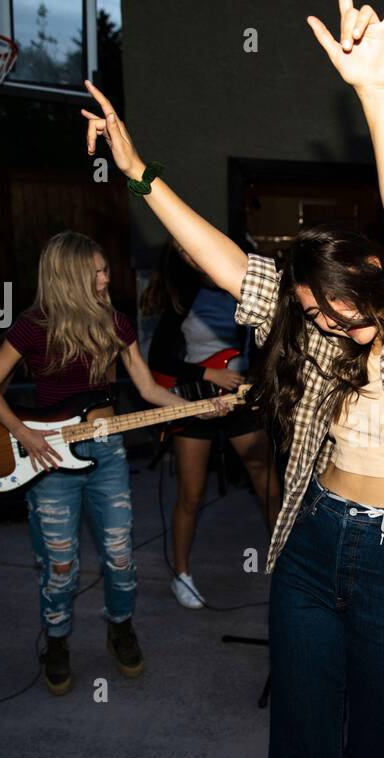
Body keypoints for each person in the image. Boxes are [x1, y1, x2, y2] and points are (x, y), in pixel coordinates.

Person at [80, 0, 384, 758]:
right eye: (306, 308)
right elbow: (220, 260)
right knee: (298, 757)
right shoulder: (308, 327)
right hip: (311, 546)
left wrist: (379, 93)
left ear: (370, 278)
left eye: (334, 302)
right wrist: (137, 171)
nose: (321, 320)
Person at [0, 231, 192, 695]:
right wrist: (22, 432)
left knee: (120, 555)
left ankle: (120, 627)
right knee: (60, 564)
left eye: (104, 267)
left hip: (107, 453)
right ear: (70, 275)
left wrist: (198, 405)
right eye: (96, 269)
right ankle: (55, 641)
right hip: (48, 458)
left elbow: (150, 390)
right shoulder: (33, 326)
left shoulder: (116, 323)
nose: (106, 276)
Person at [143, 239, 278, 609]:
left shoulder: (243, 289)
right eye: (188, 254)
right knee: (191, 492)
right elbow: (160, 359)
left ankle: (284, 562)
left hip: (241, 397)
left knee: (268, 484)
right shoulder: (184, 297)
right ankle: (181, 574)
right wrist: (209, 372)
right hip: (194, 397)